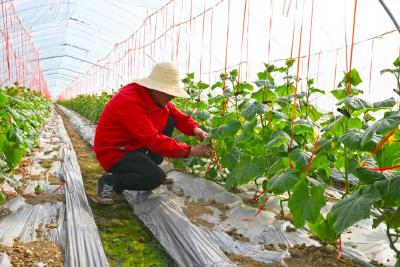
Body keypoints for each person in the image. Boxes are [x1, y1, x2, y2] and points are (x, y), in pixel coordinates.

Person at [93, 62, 211, 205]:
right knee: (155, 178)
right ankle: (111, 181)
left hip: (134, 146)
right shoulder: (130, 101)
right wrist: (190, 151)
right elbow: (153, 140)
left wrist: (195, 129)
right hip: (115, 152)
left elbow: (178, 116)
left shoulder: (156, 97)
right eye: (170, 94)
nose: (172, 98)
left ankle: (150, 167)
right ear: (157, 89)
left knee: (170, 118)